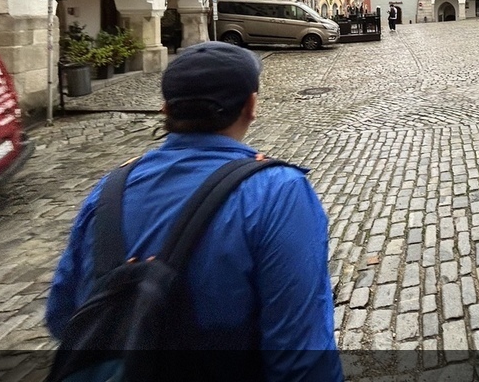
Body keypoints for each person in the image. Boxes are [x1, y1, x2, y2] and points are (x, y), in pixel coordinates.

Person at [45, 42, 342, 381]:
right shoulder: (278, 192)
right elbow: (301, 354)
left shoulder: (108, 190)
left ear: (165, 110)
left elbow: (63, 315)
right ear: (251, 105)